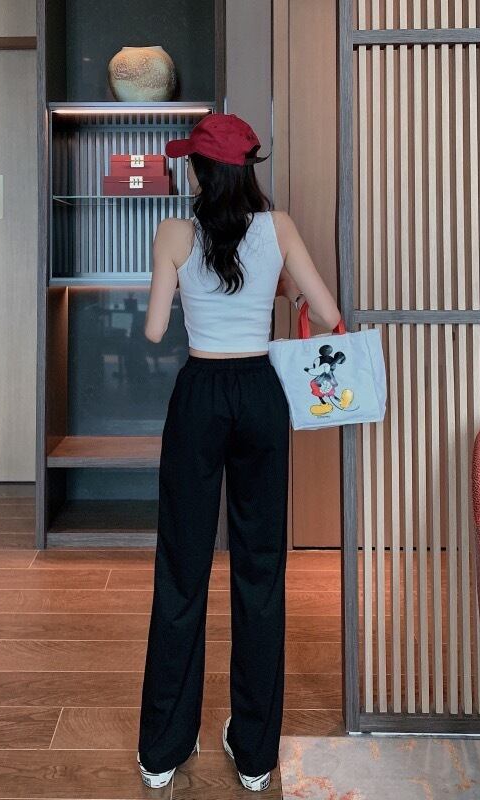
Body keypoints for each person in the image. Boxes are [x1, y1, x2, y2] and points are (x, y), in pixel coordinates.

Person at [136, 112, 342, 792]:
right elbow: (327, 311)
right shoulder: (277, 228)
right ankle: (254, 756)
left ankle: (163, 750)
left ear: (200, 172)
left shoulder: (174, 233)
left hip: (199, 393)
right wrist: (276, 284)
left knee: (182, 567)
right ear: (247, 170)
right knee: (260, 569)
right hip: (260, 393)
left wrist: (179, 284)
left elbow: (155, 329)